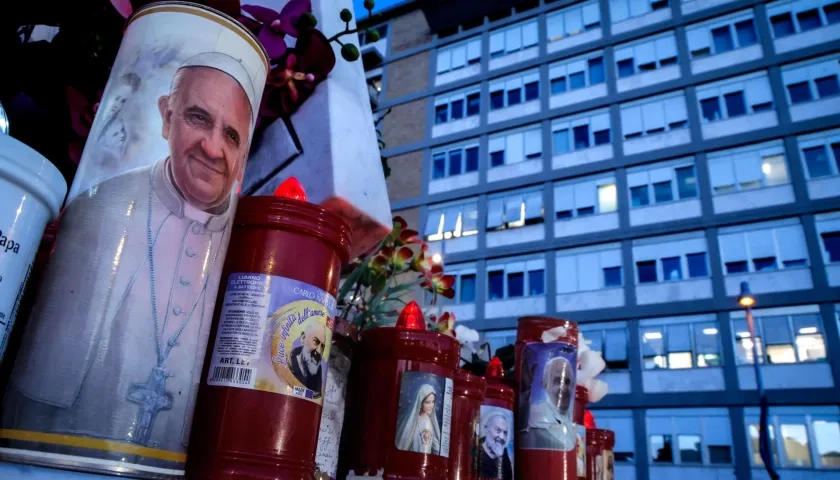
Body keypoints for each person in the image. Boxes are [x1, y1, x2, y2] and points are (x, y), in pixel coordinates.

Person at [2, 52, 256, 469]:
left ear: (243, 153)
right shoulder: (97, 209)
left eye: (231, 136)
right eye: (197, 118)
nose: (213, 147)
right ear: (166, 115)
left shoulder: (248, 251)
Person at [518, 356, 576, 451]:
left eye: (567, 382)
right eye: (557, 381)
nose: (564, 388)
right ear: (545, 384)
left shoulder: (574, 419)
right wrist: (525, 390)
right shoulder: (533, 414)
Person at [395, 384, 441, 454]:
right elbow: (403, 444)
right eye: (427, 402)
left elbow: (434, 443)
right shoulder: (412, 421)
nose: (431, 405)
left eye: (433, 401)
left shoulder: (430, 421)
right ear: (420, 402)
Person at [289, 321, 326, 397]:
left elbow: (315, 397)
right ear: (303, 338)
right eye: (316, 341)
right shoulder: (287, 362)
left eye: (322, 346)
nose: (319, 351)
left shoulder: (318, 370)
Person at [478, 413, 513, 480]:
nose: (502, 437)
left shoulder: (504, 453)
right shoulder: (476, 449)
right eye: (498, 431)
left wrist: (500, 457)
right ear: (486, 429)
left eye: (505, 433)